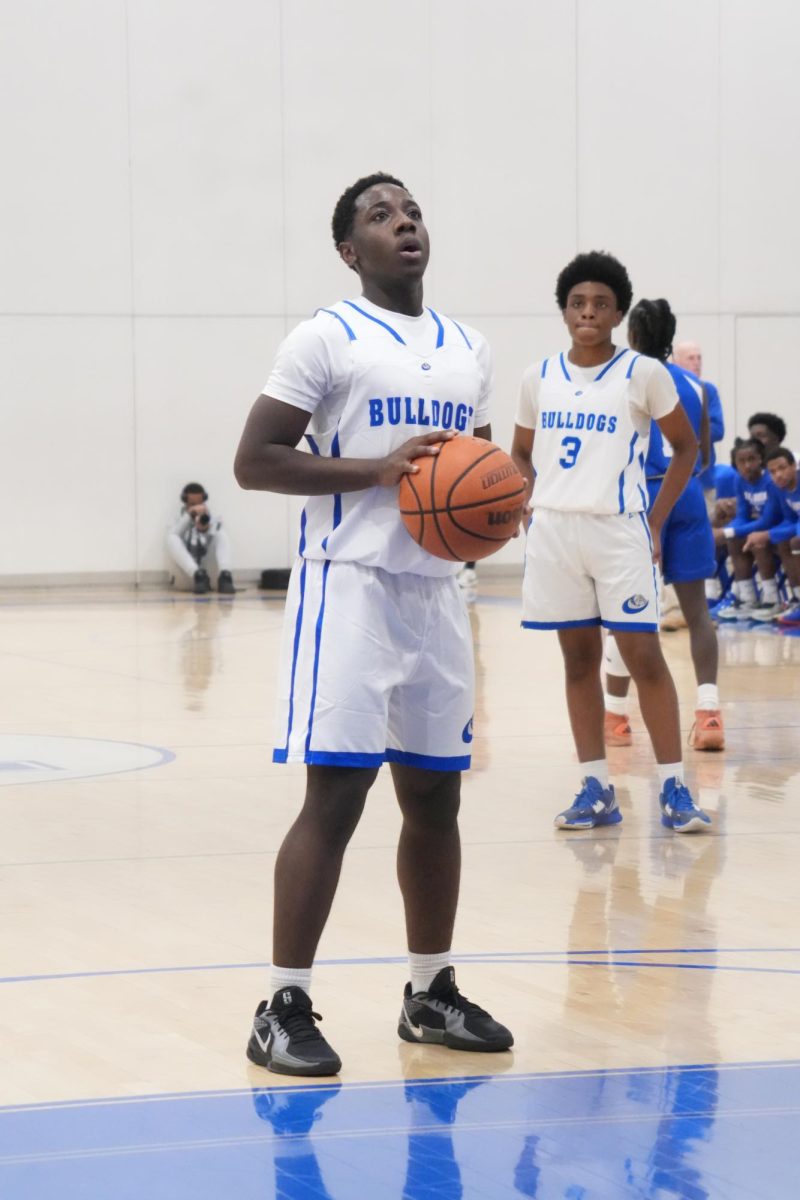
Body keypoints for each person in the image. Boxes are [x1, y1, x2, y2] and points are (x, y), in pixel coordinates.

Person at [233, 172, 513, 1076]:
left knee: (436, 796)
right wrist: (375, 470)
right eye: (381, 217)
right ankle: (283, 1004)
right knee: (338, 796)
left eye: (413, 211)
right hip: (348, 589)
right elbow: (255, 461)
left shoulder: (469, 348)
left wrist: (496, 508)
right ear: (351, 252)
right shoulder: (328, 337)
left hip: (436, 594)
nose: (405, 225)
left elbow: (469, 474)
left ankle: (430, 992)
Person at [511, 252, 711, 834]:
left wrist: (655, 518)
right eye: (578, 303)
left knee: (644, 657)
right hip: (553, 531)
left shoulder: (643, 373)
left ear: (619, 311)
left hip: (618, 529)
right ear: (564, 311)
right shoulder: (537, 377)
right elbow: (520, 452)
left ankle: (675, 787)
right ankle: (596, 788)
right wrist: (527, 496)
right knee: (578, 661)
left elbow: (686, 448)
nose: (588, 312)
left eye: (600, 303)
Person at [603, 299, 724, 753]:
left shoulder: (622, 379)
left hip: (641, 499)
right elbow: (704, 454)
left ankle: (616, 717)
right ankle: (709, 713)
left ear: (631, 334)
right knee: (697, 614)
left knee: (626, 615)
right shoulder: (698, 387)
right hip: (687, 494)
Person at [714, 439, 783, 621]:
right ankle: (747, 599)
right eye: (741, 462)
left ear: (761, 459)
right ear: (735, 464)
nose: (747, 465)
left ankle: (772, 599)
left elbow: (768, 520)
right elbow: (743, 515)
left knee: (755, 541)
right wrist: (726, 531)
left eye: (751, 459)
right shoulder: (739, 481)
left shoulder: (770, 481)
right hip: (763, 528)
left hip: (779, 528)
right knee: (735, 540)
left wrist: (727, 531)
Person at [743, 447, 800, 625]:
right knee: (782, 541)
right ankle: (792, 600)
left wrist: (769, 534)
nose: (778, 475)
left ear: (794, 466)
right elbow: (790, 519)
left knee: (795, 541)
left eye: (782, 468)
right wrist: (766, 535)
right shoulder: (778, 489)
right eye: (773, 472)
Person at [166, 482, 235, 594]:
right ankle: (198, 574)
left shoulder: (211, 517)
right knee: (172, 538)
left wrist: (206, 529)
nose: (197, 508)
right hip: (187, 576)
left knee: (220, 533)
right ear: (185, 502)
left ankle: (225, 576)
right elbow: (172, 538)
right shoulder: (176, 519)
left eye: (199, 504)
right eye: (193, 504)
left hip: (209, 574)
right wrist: (189, 516)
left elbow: (215, 536)